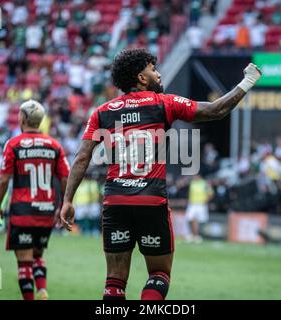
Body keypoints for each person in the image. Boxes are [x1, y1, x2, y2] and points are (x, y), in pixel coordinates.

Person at [60, 48, 262, 300]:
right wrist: (247, 82)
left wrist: (68, 200)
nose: (158, 73)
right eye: (153, 69)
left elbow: (81, 157)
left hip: (115, 202)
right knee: (158, 275)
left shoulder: (102, 112)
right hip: (151, 200)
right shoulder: (163, 103)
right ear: (141, 78)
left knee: (114, 282)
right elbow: (215, 110)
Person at [0, 100, 70, 300]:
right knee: (38, 255)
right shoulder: (54, 145)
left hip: (22, 211)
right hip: (46, 211)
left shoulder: (14, 144)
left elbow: (3, 180)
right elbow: (65, 179)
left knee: (24, 262)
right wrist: (63, 205)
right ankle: (42, 290)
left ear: (22, 118)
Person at [185, 175, 214, 243]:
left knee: (197, 220)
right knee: (189, 218)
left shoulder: (205, 183)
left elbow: (211, 193)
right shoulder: (192, 183)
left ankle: (195, 235)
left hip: (201, 204)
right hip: (192, 204)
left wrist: (206, 201)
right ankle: (193, 235)